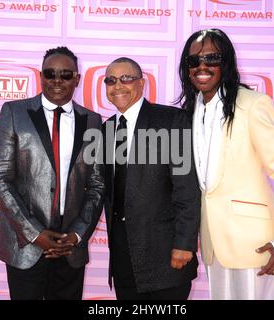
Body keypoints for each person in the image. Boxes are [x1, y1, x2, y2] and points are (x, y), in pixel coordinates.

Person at [176, 29, 274, 300]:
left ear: (226, 63)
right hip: (212, 242)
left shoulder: (254, 105)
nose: (202, 66)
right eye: (194, 61)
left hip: (255, 243)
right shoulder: (190, 111)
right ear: (186, 69)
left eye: (211, 58)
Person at [0, 46, 104, 300]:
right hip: (25, 245)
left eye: (65, 75)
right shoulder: (13, 113)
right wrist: (33, 233)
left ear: (77, 79)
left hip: (69, 248)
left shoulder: (93, 121)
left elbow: (97, 185)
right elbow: (0, 179)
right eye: (50, 74)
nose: (56, 81)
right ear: (40, 76)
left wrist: (76, 235)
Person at [100, 57, 200, 300]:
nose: (118, 86)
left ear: (141, 83)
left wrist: (185, 243)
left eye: (126, 78)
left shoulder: (170, 121)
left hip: (166, 255)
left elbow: (187, 187)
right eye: (111, 80)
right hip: (123, 256)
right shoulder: (106, 129)